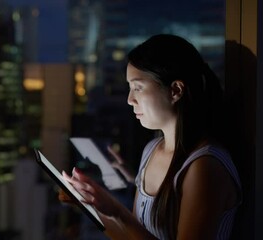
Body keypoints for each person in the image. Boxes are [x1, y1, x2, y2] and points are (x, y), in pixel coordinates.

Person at [60, 34, 242, 239]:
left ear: (175, 90)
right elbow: (133, 235)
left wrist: (116, 210)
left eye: (138, 88)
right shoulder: (152, 150)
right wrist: (92, 205)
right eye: (130, 88)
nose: (130, 100)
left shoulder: (205, 166)